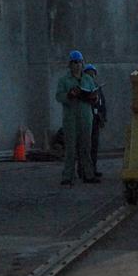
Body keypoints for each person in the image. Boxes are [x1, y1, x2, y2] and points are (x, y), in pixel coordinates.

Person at [55, 50, 99, 186]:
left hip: (86, 117)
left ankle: (88, 174)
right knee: (70, 148)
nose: (77, 65)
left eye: (79, 62)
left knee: (86, 147)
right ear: (70, 64)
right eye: (74, 62)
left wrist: (93, 97)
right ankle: (68, 176)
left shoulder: (88, 79)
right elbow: (58, 96)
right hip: (71, 118)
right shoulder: (64, 80)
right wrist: (69, 95)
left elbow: (95, 96)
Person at [83, 63, 107, 178]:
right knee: (85, 146)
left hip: (96, 120)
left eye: (92, 73)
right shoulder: (83, 87)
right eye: (89, 73)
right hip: (86, 119)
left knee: (94, 146)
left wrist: (103, 117)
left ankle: (93, 168)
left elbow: (102, 103)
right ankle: (83, 170)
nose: (91, 75)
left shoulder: (97, 88)